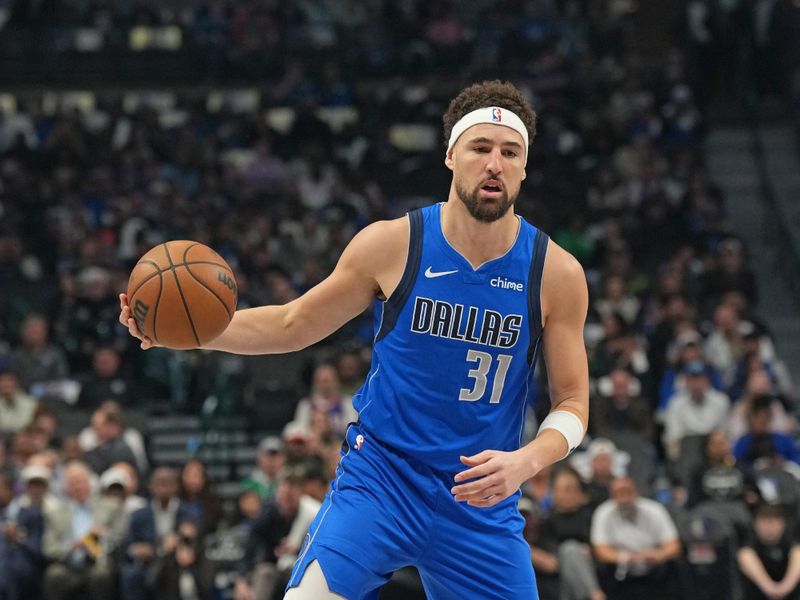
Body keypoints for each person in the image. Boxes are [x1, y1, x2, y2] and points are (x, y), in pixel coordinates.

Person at [120, 80, 590, 600]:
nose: (495, 163)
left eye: (510, 152)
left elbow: (572, 403)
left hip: (480, 497)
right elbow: (292, 325)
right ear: (451, 155)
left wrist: (526, 460)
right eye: (481, 148)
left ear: (524, 167)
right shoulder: (394, 243)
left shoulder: (556, 274)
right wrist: (186, 334)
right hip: (384, 479)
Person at [737, 503, 800, 600]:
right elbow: (769, 589)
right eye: (764, 521)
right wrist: (772, 589)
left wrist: (783, 589)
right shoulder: (748, 550)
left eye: (775, 521)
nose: (770, 527)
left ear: (783, 524)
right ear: (755, 523)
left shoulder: (792, 547)